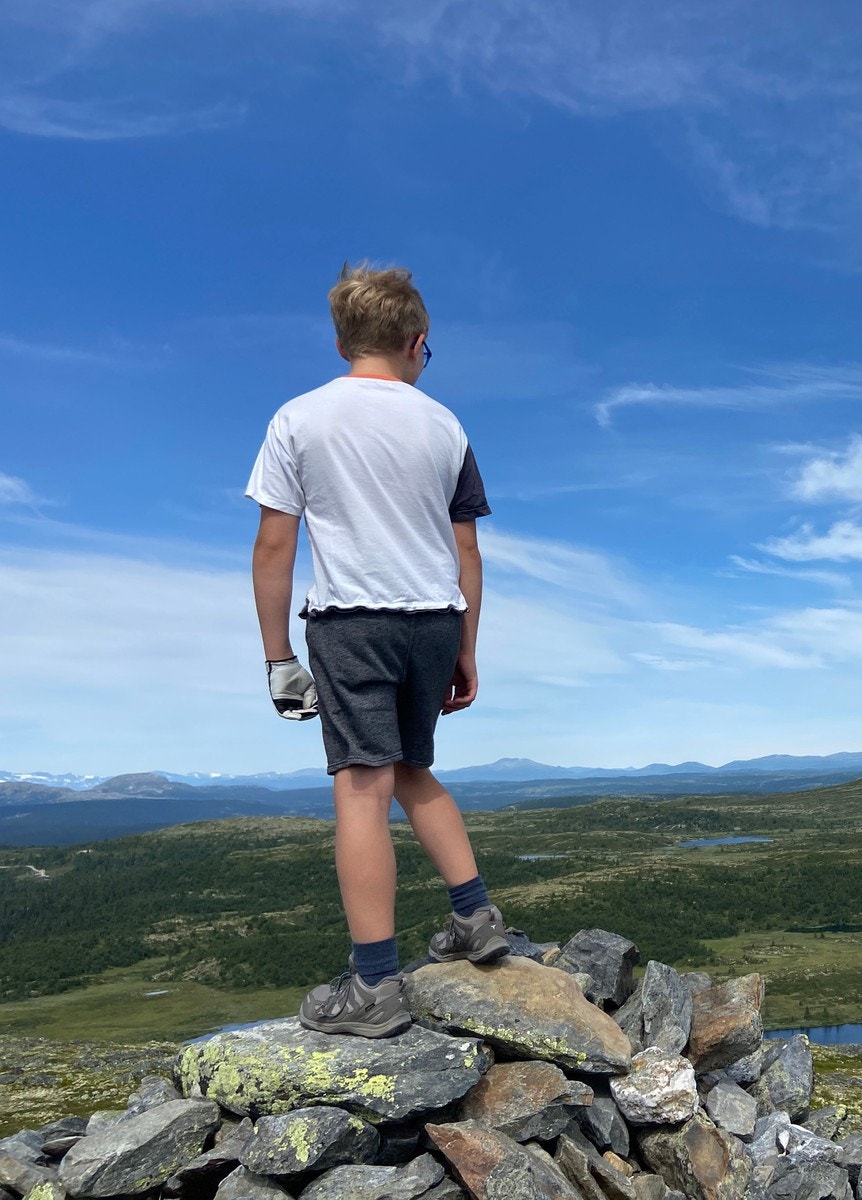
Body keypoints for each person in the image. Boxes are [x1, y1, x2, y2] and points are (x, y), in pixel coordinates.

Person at [247, 263, 508, 1038]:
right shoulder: (446, 426)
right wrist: (466, 647)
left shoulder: (298, 419)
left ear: (342, 343)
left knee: (362, 787)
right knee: (412, 769)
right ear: (417, 342)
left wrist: (278, 658)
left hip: (352, 621)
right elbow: (467, 551)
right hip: (435, 619)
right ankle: (476, 919)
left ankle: (374, 986)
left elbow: (274, 546)